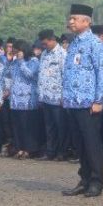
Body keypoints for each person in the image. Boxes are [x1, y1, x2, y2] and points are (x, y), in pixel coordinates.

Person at [61, 4, 103, 198]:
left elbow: (102, 72)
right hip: (73, 102)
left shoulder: (94, 43)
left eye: (74, 18)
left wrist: (99, 99)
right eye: (70, 18)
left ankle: (97, 181)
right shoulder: (73, 44)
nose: (70, 22)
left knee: (91, 144)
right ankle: (85, 179)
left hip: (89, 103)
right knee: (79, 144)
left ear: (86, 22)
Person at [37, 29, 67, 161]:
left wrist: (63, 96)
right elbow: (41, 75)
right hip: (46, 97)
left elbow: (66, 76)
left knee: (61, 126)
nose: (44, 46)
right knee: (49, 127)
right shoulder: (44, 54)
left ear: (52, 40)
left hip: (57, 97)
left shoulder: (62, 54)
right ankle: (50, 152)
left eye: (45, 43)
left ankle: (62, 152)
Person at [7, 39, 40, 159]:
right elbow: (8, 75)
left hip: (28, 100)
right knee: (17, 126)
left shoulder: (34, 61)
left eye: (17, 51)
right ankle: (19, 147)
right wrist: (10, 61)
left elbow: (30, 75)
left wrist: (21, 62)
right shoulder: (15, 62)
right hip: (15, 100)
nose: (16, 53)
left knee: (28, 126)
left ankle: (29, 149)